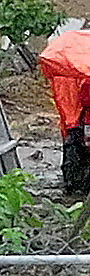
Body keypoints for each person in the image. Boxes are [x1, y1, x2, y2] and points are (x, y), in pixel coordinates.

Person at [49, 20, 90, 198]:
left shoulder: (70, 59)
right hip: (78, 120)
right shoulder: (77, 68)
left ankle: (75, 188)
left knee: (76, 155)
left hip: (76, 120)